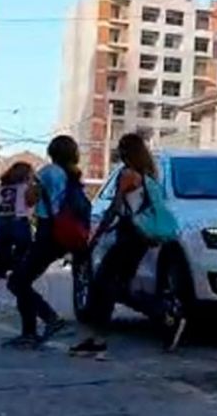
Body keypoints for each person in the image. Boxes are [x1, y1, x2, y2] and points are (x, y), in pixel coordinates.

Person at [70, 133, 173, 357]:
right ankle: (164, 318)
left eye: (121, 148)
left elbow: (115, 208)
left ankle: (100, 338)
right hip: (141, 237)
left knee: (103, 283)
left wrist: (96, 236)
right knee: (119, 286)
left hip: (129, 235)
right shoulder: (148, 176)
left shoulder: (127, 174)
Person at [5, 136, 82, 349]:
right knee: (23, 280)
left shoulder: (48, 172)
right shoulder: (72, 175)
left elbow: (29, 199)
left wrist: (31, 183)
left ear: (52, 151)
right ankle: (29, 332)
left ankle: (50, 319)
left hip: (47, 233)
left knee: (17, 282)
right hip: (61, 236)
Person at [0, 162, 36, 317]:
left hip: (3, 227)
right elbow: (33, 202)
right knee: (23, 265)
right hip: (19, 224)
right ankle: (22, 299)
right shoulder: (26, 188)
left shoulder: (1, 189)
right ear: (26, 174)